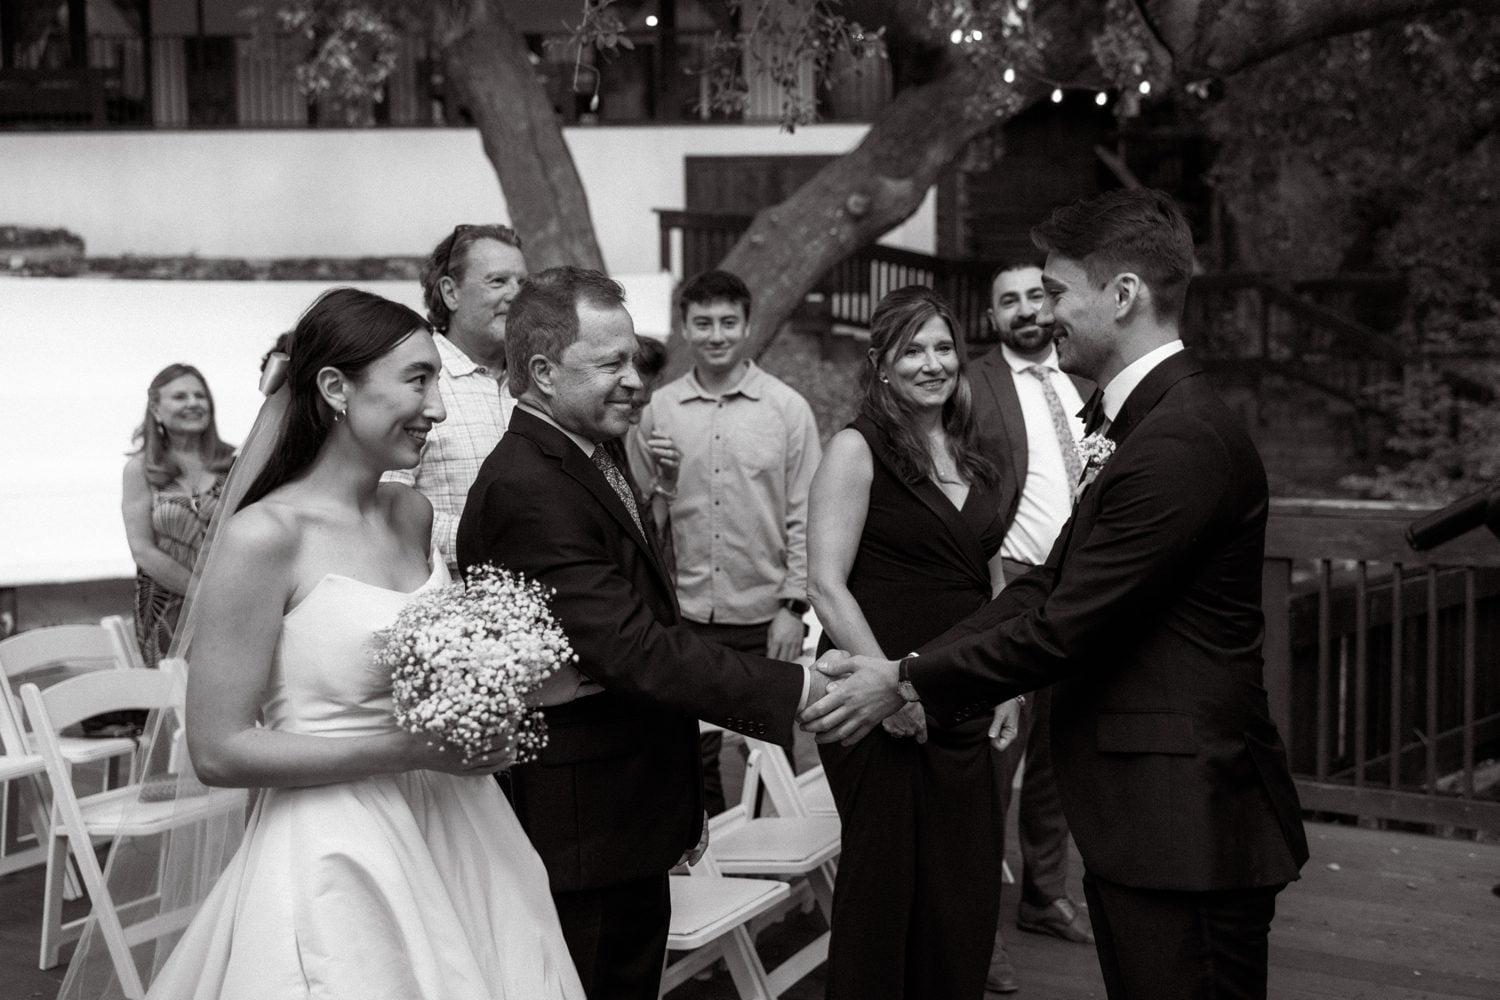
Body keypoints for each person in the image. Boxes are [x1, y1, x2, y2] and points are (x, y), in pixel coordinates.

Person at [802, 189, 1309, 1000]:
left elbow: (1068, 620)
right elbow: (1047, 579)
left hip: (1187, 817)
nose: (1045, 313)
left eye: (1057, 292)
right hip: (1150, 816)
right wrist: (911, 668)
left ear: (1123, 295)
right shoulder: (1146, 422)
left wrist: (905, 678)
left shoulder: (1178, 439)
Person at [88, 288, 586, 999]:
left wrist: (499, 681)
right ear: (334, 388)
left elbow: (429, 668)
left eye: (437, 380)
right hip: (338, 855)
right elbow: (219, 749)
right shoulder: (266, 538)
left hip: (464, 829)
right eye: (418, 379)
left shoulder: (411, 512)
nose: (438, 407)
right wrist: (409, 750)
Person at [456, 267, 825, 1000]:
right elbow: (632, 647)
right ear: (540, 372)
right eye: (610, 364)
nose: (635, 381)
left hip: (622, 807)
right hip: (585, 823)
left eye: (633, 359)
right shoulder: (530, 486)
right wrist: (801, 687)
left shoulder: (586, 449)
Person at [807, 285, 1022, 1000]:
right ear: (881, 364)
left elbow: (987, 575)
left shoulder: (977, 453)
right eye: (912, 351)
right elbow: (826, 586)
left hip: (966, 698)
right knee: (884, 895)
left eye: (943, 348)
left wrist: (1007, 682)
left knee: (961, 896)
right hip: (880, 708)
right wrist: (890, 686)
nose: (931, 364)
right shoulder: (855, 448)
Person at [628, 269, 821, 814]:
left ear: (747, 326)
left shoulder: (787, 410)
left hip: (766, 617)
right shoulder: (657, 409)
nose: (716, 335)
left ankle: (781, 880)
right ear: (684, 329)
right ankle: (717, 870)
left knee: (773, 752)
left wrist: (793, 607)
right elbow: (638, 519)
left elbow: (807, 513)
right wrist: (660, 482)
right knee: (694, 753)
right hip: (685, 616)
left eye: (728, 322)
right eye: (703, 323)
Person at [971, 261, 1098, 991]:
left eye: (1036, 296)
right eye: (1009, 300)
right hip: (1010, 587)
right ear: (993, 316)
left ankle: (1046, 894)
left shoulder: (1087, 376)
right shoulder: (973, 383)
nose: (1025, 309)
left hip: (1082, 592)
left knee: (1060, 753)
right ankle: (976, 928)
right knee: (996, 765)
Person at [385, 223, 527, 572]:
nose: (517, 295)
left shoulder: (538, 383)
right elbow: (383, 513)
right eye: (498, 281)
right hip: (446, 611)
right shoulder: (412, 381)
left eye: (523, 283)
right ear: (451, 293)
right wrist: (503, 542)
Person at [122, 364, 235, 667]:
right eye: (180, 397)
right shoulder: (140, 469)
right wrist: (201, 595)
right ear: (156, 410)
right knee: (179, 702)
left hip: (232, 602)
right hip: (166, 610)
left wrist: (224, 599)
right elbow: (142, 549)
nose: (193, 403)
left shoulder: (235, 463)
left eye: (200, 396)